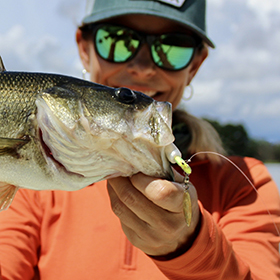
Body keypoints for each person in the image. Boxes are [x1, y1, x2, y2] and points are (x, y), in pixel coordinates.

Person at [0, 0, 279, 279]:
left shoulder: (245, 185)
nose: (143, 67)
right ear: (85, 49)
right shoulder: (28, 188)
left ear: (195, 65)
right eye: (118, 40)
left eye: (172, 47)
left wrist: (191, 249)